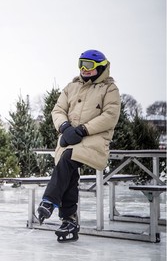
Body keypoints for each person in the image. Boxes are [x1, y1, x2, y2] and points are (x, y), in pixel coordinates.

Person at [37, 49, 121, 242]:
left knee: (67, 160)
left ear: (101, 67)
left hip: (95, 139)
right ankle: (69, 220)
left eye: (89, 65)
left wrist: (82, 130)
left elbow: (110, 116)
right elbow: (58, 110)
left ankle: (49, 201)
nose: (84, 69)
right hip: (69, 138)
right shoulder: (71, 86)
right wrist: (65, 127)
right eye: (81, 63)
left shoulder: (110, 89)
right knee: (69, 173)